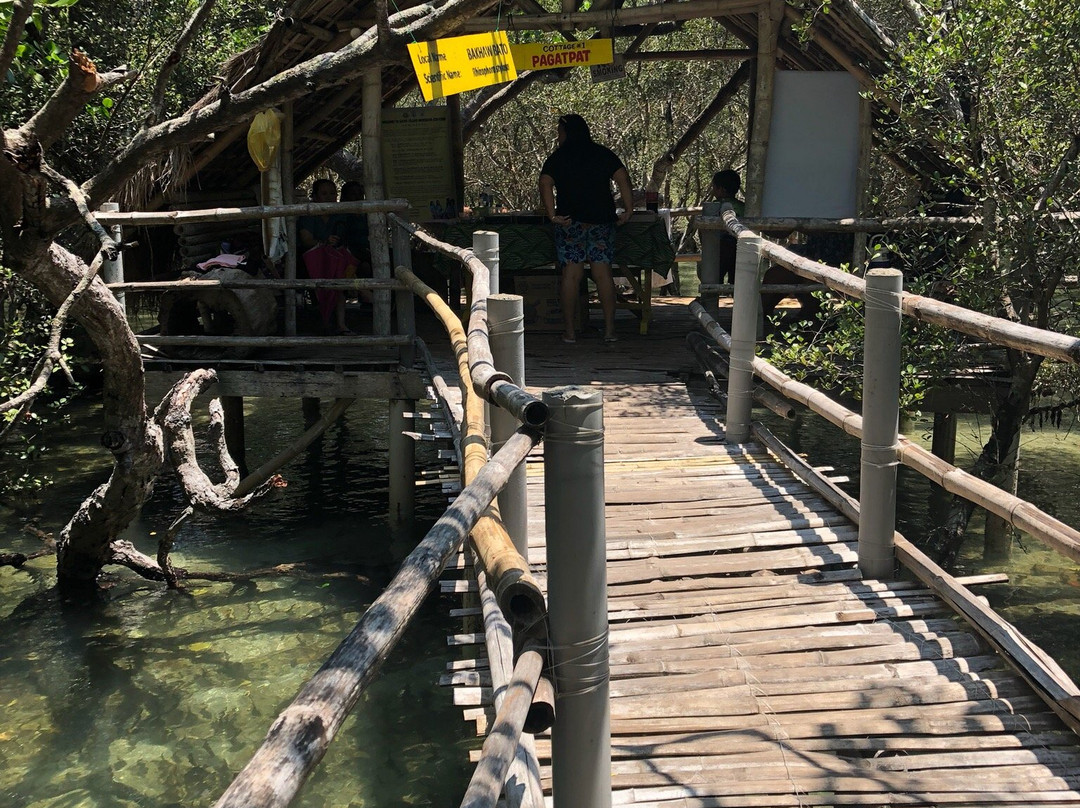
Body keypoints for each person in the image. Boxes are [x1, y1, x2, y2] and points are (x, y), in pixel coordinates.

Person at [539, 113, 633, 344]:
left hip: (570, 222)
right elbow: (622, 177)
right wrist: (628, 209)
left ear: (567, 133)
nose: (558, 136)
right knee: (603, 274)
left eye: (559, 131)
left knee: (571, 275)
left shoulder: (558, 158)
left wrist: (552, 214)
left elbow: (545, 182)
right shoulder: (602, 153)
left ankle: (570, 332)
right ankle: (610, 330)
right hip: (601, 221)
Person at [298, 178, 355, 334]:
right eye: (324, 193)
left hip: (335, 259)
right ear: (315, 196)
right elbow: (306, 240)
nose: (329, 197)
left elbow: (344, 238)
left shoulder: (339, 215)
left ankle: (340, 324)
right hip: (313, 260)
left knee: (339, 274)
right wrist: (324, 242)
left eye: (332, 193)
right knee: (335, 274)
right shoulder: (309, 215)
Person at [340, 180, 373, 304]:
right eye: (353, 194)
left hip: (367, 250)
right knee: (364, 266)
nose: (358, 197)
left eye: (360, 193)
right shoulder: (342, 214)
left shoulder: (367, 214)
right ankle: (367, 298)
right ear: (344, 197)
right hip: (349, 252)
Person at [712, 169, 745, 286]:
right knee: (737, 282)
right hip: (741, 248)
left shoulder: (713, 207)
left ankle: (710, 301)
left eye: (714, 187)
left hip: (720, 249)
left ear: (721, 189)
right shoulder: (744, 207)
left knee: (714, 278)